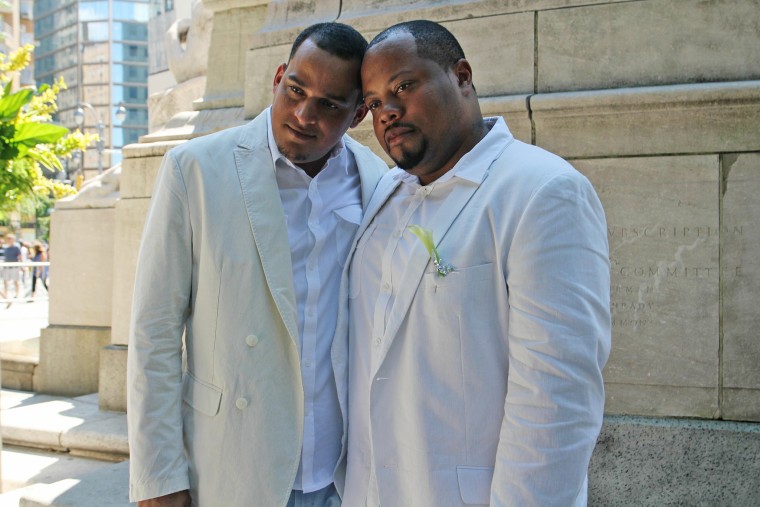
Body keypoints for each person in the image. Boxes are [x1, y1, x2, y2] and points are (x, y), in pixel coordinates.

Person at [341, 20, 611, 506]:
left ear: (461, 76)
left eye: (404, 85)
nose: (389, 112)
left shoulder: (542, 191)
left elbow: (556, 405)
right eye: (376, 102)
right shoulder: (385, 193)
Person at [127, 22, 388, 507]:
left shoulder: (379, 183)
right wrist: (158, 477)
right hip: (232, 465)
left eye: (329, 105)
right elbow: (153, 333)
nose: (303, 114)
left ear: (358, 115)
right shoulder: (196, 169)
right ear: (277, 77)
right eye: (295, 90)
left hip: (345, 475)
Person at [2, 234, 22, 301]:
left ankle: (17, 294)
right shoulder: (5, 248)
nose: (9, 240)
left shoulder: (16, 247)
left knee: (15, 281)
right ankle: (5, 295)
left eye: (10, 239)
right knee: (5, 281)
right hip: (6, 267)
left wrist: (21, 266)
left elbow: (20, 257)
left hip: (14, 267)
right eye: (8, 239)